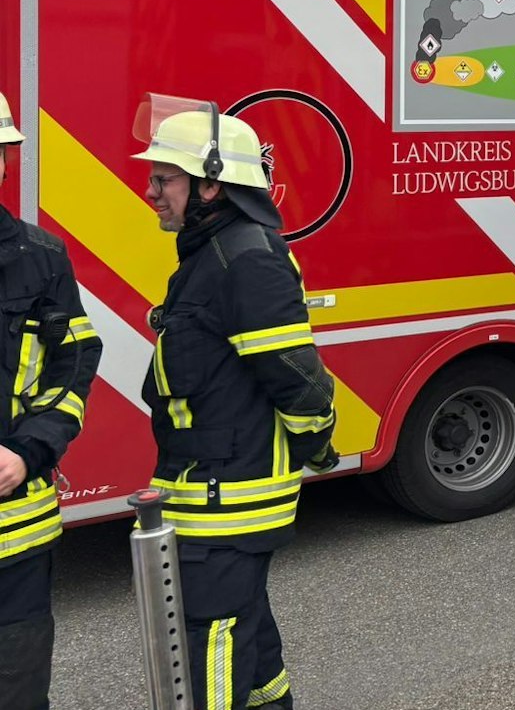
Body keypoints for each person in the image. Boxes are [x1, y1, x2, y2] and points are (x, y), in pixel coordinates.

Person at [135, 98, 337, 710]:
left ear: (212, 185)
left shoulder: (245, 256)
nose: (151, 193)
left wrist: (316, 445)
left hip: (230, 501)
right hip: (209, 491)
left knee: (211, 654)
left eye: (164, 180)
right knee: (249, 642)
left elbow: (297, 379)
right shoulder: (212, 251)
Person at [0, 93, 101, 710]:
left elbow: (75, 361)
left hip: (17, 539)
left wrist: (27, 450)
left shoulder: (40, 258)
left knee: (17, 687)